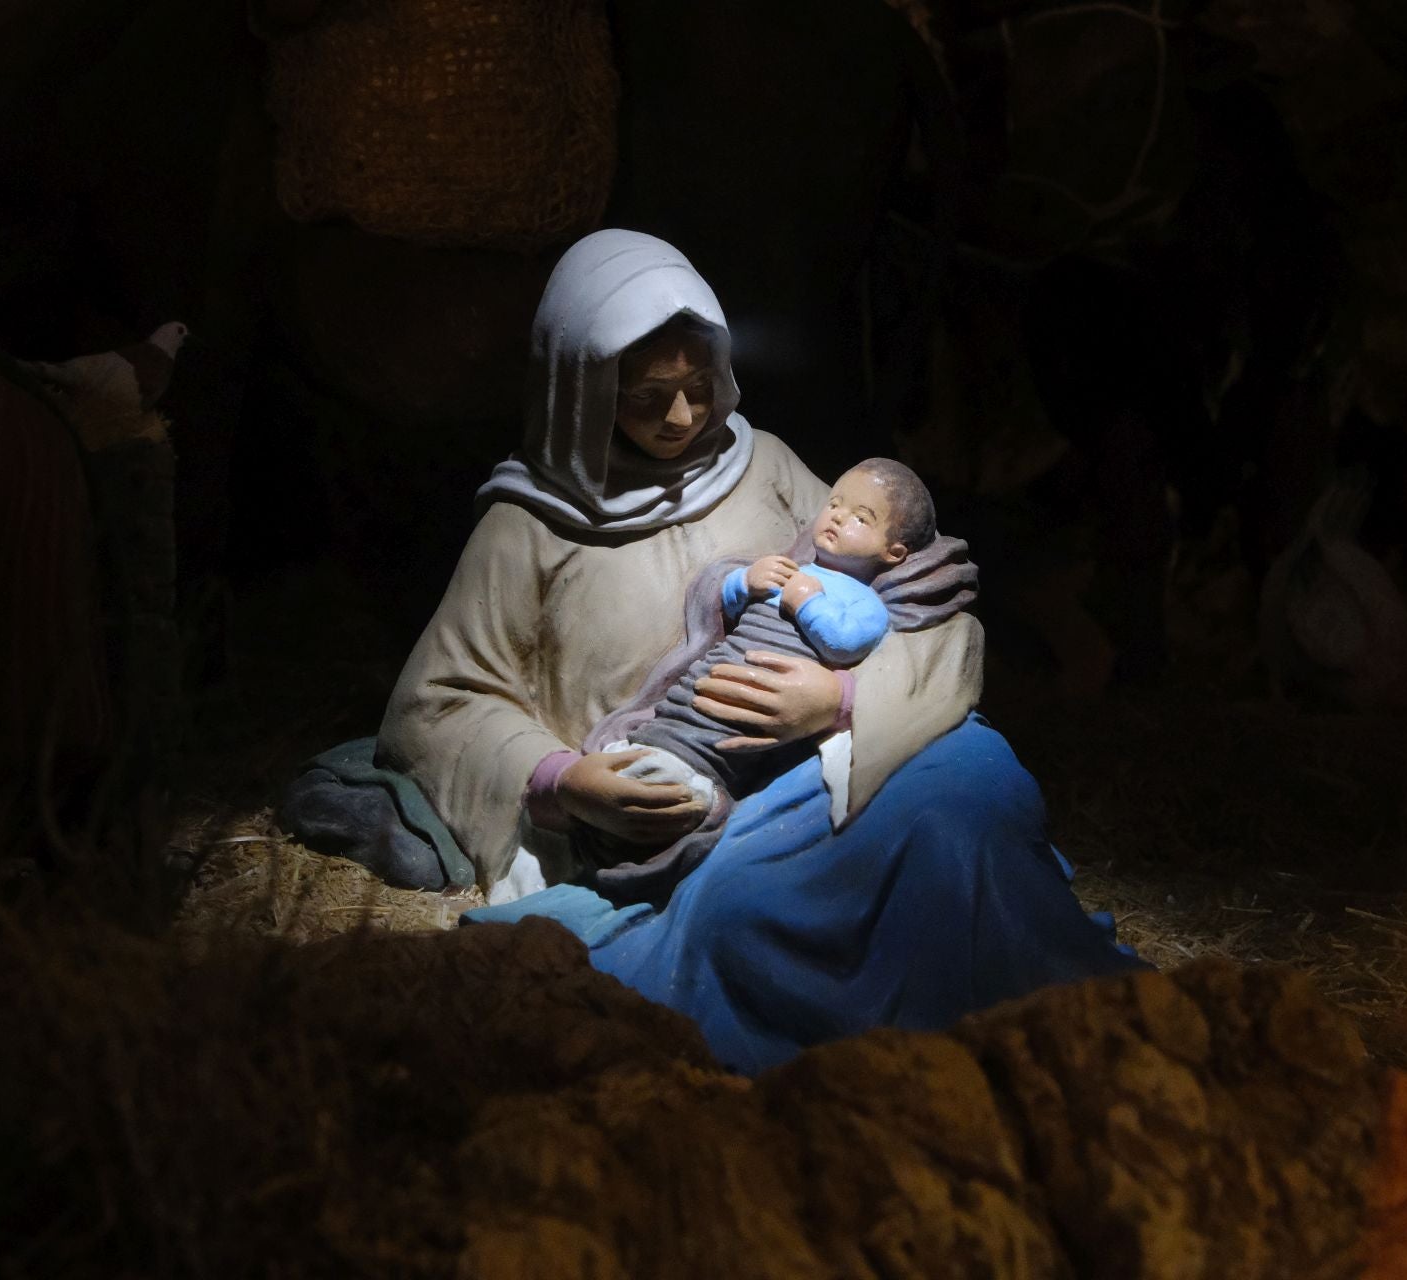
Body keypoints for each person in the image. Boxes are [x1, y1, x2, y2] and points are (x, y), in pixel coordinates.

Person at [376, 228, 1140, 1073]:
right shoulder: (528, 529)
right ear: (580, 389)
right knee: (746, 912)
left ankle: (1051, 1036)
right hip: (702, 804)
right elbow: (437, 705)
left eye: (699, 387)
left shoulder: (764, 465)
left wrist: (841, 703)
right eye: (646, 396)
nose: (681, 417)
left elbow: (918, 596)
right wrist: (563, 781)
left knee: (979, 797)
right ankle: (862, 1077)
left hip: (839, 756)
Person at [577, 456, 971, 901]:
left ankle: (686, 794)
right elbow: (725, 609)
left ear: (893, 553)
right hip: (711, 680)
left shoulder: (865, 602)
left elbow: (847, 643)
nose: (838, 518)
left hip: (753, 715)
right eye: (835, 504)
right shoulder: (793, 566)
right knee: (683, 711)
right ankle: (641, 762)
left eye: (860, 518)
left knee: (715, 745)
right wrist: (744, 581)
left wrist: (807, 603)